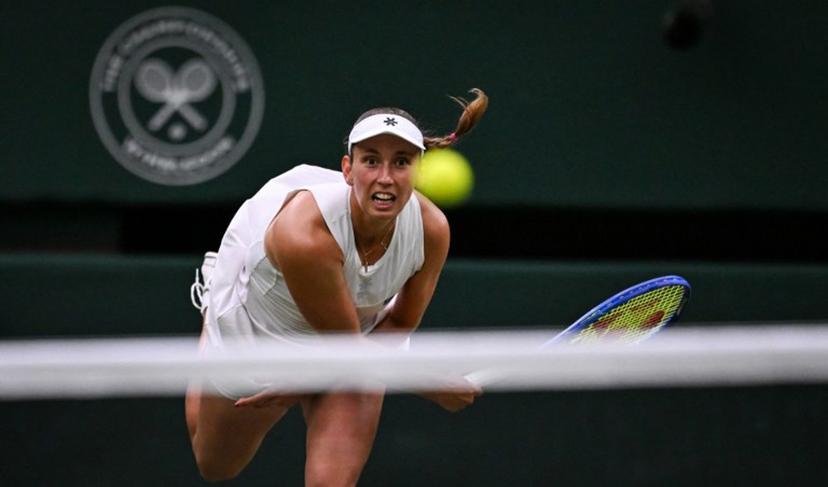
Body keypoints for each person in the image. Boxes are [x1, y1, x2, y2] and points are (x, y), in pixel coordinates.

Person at [185, 88, 489, 484]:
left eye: (401, 162)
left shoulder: (431, 230)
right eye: (370, 161)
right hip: (263, 332)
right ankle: (216, 312)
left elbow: (398, 325)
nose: (385, 177)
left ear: (419, 171)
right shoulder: (304, 235)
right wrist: (431, 383)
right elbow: (343, 349)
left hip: (357, 339)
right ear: (348, 169)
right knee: (216, 465)